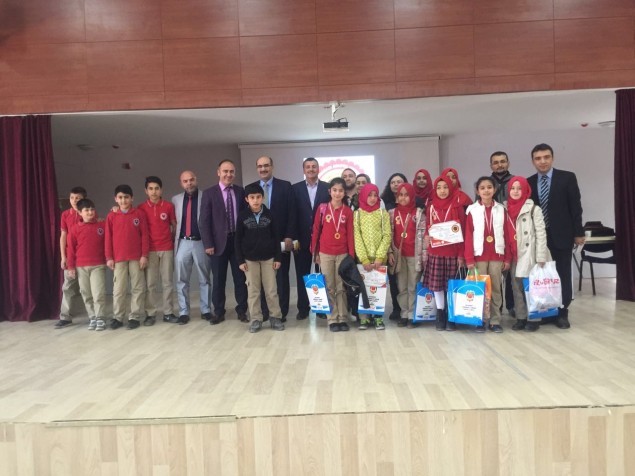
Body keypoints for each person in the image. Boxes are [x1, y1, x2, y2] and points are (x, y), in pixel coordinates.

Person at [527, 143, 584, 329]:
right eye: (538, 158)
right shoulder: (528, 182)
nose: (542, 161)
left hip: (562, 235)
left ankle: (562, 312)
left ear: (552, 158)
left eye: (546, 157)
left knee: (562, 274)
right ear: (533, 161)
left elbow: (575, 207)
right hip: (539, 238)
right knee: (542, 275)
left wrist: (578, 233)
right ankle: (546, 311)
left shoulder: (567, 178)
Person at [247, 156, 296, 322]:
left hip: (281, 241)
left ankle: (280, 312)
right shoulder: (251, 189)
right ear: (257, 168)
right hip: (258, 243)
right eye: (260, 166)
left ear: (272, 167)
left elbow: (292, 213)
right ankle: (264, 312)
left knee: (281, 278)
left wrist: (289, 236)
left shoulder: (285, 186)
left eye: (266, 165)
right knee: (260, 280)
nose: (263, 169)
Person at [200, 159, 248, 325]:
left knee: (240, 279)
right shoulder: (209, 193)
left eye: (231, 171)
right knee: (219, 280)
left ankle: (242, 311)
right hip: (217, 244)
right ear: (218, 172)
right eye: (225, 171)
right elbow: (204, 221)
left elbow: (245, 218)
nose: (228, 174)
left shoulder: (240, 192)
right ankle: (219, 312)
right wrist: (208, 244)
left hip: (237, 243)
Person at [464, 177, 511, 333]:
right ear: (477, 191)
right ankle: (480, 319)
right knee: (479, 288)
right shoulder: (471, 210)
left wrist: (507, 258)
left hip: (497, 255)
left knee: (496, 289)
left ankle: (495, 320)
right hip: (478, 256)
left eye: (489, 187)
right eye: (482, 188)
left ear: (495, 189)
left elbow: (507, 234)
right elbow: (468, 236)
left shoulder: (501, 209)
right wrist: (469, 258)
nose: (486, 190)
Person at [235, 183, 285, 333]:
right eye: (252, 197)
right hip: (250, 260)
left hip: (269, 259)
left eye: (258, 197)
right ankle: (256, 319)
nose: (255, 200)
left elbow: (276, 238)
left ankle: (275, 317)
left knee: (271, 290)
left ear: (263, 198)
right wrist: (240, 261)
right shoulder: (242, 216)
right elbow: (237, 240)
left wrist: (278, 258)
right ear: (247, 199)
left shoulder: (270, 215)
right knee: (253, 291)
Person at [504, 177, 550, 332]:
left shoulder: (533, 209)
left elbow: (541, 233)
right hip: (513, 253)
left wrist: (541, 256)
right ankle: (521, 317)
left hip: (529, 254)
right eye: (513, 188)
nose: (516, 191)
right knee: (516, 288)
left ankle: (534, 318)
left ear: (525, 190)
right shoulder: (505, 208)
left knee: (532, 288)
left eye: (519, 188)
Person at [421, 175, 466, 331]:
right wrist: (426, 236)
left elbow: (463, 232)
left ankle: (451, 315)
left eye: (445, 187)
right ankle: (440, 313)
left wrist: (461, 255)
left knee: (451, 286)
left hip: (453, 253)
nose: (442, 191)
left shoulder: (457, 206)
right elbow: (428, 227)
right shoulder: (431, 206)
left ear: (451, 188)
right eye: (439, 187)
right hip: (436, 252)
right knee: (437, 286)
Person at [311, 177, 355, 332]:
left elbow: (350, 234)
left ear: (344, 193)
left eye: (341, 191)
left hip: (342, 253)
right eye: (335, 190)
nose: (337, 193)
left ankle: (342, 317)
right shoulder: (322, 209)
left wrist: (351, 255)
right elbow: (316, 230)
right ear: (330, 191)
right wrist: (315, 252)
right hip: (325, 253)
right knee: (329, 286)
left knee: (341, 286)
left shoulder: (347, 211)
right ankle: (332, 318)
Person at [105, 184, 149, 330]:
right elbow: (108, 238)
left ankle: (134, 317)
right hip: (118, 259)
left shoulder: (139, 214)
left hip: (136, 258)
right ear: (115, 199)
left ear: (132, 198)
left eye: (126, 197)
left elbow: (144, 236)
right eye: (120, 197)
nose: (123, 200)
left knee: (138, 288)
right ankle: (118, 317)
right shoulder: (111, 216)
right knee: (119, 289)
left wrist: (144, 255)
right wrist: (109, 257)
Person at [292, 158, 330, 320]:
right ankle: (303, 308)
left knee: (321, 274)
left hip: (322, 240)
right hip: (301, 240)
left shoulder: (327, 188)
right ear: (303, 170)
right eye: (307, 167)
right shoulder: (295, 189)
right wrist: (294, 238)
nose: (311, 169)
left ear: (318, 169)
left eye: (314, 166)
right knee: (302, 274)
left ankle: (321, 308)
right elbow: (292, 215)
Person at [172, 170, 212, 324]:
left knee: (204, 278)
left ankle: (206, 310)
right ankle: (183, 312)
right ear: (181, 183)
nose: (189, 183)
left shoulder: (205, 196)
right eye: (185, 181)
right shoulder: (175, 200)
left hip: (201, 242)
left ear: (196, 180)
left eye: (191, 180)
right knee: (181, 279)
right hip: (183, 242)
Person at [139, 176, 177, 326]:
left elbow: (174, 226)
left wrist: (170, 241)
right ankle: (150, 314)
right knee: (151, 284)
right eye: (150, 189)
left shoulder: (168, 206)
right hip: (150, 250)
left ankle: (168, 313)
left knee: (167, 282)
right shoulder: (141, 208)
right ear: (146, 191)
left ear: (161, 190)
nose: (154, 192)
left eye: (156, 188)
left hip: (166, 248)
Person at [353, 183, 392, 330]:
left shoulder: (382, 214)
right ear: (363, 196)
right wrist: (363, 259)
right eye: (369, 195)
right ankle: (364, 318)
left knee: (378, 288)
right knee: (363, 288)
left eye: (375, 195)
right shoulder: (357, 214)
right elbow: (357, 237)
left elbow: (387, 235)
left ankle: (378, 318)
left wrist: (380, 257)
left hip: (379, 260)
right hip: (363, 260)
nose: (373, 198)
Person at [388, 183, 427, 328]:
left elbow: (424, 236)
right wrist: (389, 252)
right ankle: (404, 313)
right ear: (397, 197)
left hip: (414, 256)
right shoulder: (392, 213)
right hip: (399, 256)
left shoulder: (419, 213)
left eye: (406, 195)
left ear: (412, 196)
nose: (403, 198)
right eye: (401, 195)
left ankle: (412, 314)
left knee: (413, 286)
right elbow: (388, 235)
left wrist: (424, 257)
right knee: (401, 286)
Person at [66, 199, 107, 331]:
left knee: (98, 293)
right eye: (86, 210)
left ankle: (100, 317)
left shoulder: (102, 225)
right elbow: (70, 250)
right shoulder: (74, 229)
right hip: (81, 267)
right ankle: (92, 317)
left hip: (98, 265)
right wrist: (70, 267)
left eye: (92, 209)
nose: (90, 212)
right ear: (79, 212)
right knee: (86, 293)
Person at [55, 186, 88, 328]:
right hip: (70, 257)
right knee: (67, 287)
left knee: (87, 289)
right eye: (72, 198)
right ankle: (65, 317)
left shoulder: (87, 213)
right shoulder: (65, 215)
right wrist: (63, 257)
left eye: (78, 198)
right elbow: (63, 236)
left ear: (84, 199)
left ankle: (95, 316)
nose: (74, 201)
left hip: (85, 257)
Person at [489, 151, 515, 316]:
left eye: (503, 161)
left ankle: (512, 306)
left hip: (512, 233)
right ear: (491, 165)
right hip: (491, 236)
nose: (500, 165)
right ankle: (495, 307)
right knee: (494, 274)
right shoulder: (486, 183)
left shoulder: (515, 182)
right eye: (496, 162)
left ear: (508, 163)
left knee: (512, 274)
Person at [380, 172, 407, 320]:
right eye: (393, 182)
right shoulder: (384, 203)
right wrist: (389, 250)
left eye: (399, 181)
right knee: (393, 279)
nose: (396, 184)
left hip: (408, 248)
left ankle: (407, 309)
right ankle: (396, 308)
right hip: (392, 247)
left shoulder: (413, 202)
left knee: (406, 281)